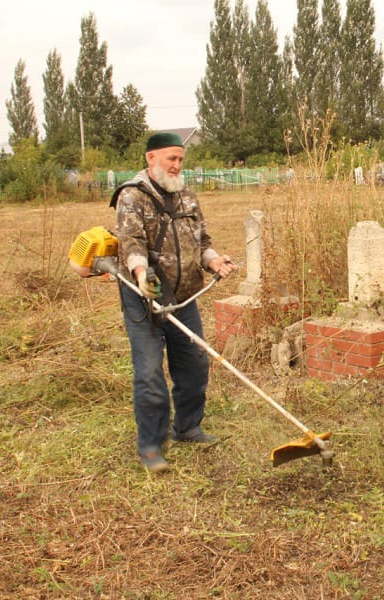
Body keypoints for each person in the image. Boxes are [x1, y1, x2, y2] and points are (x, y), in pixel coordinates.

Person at [111, 132, 238, 473]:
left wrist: (214, 262)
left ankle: (188, 427)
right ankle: (151, 446)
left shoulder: (186, 196)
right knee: (150, 373)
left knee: (195, 364)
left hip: (185, 296)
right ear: (151, 158)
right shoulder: (131, 196)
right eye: (171, 158)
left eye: (180, 159)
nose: (177, 165)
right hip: (145, 299)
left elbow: (203, 241)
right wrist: (140, 275)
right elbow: (131, 243)